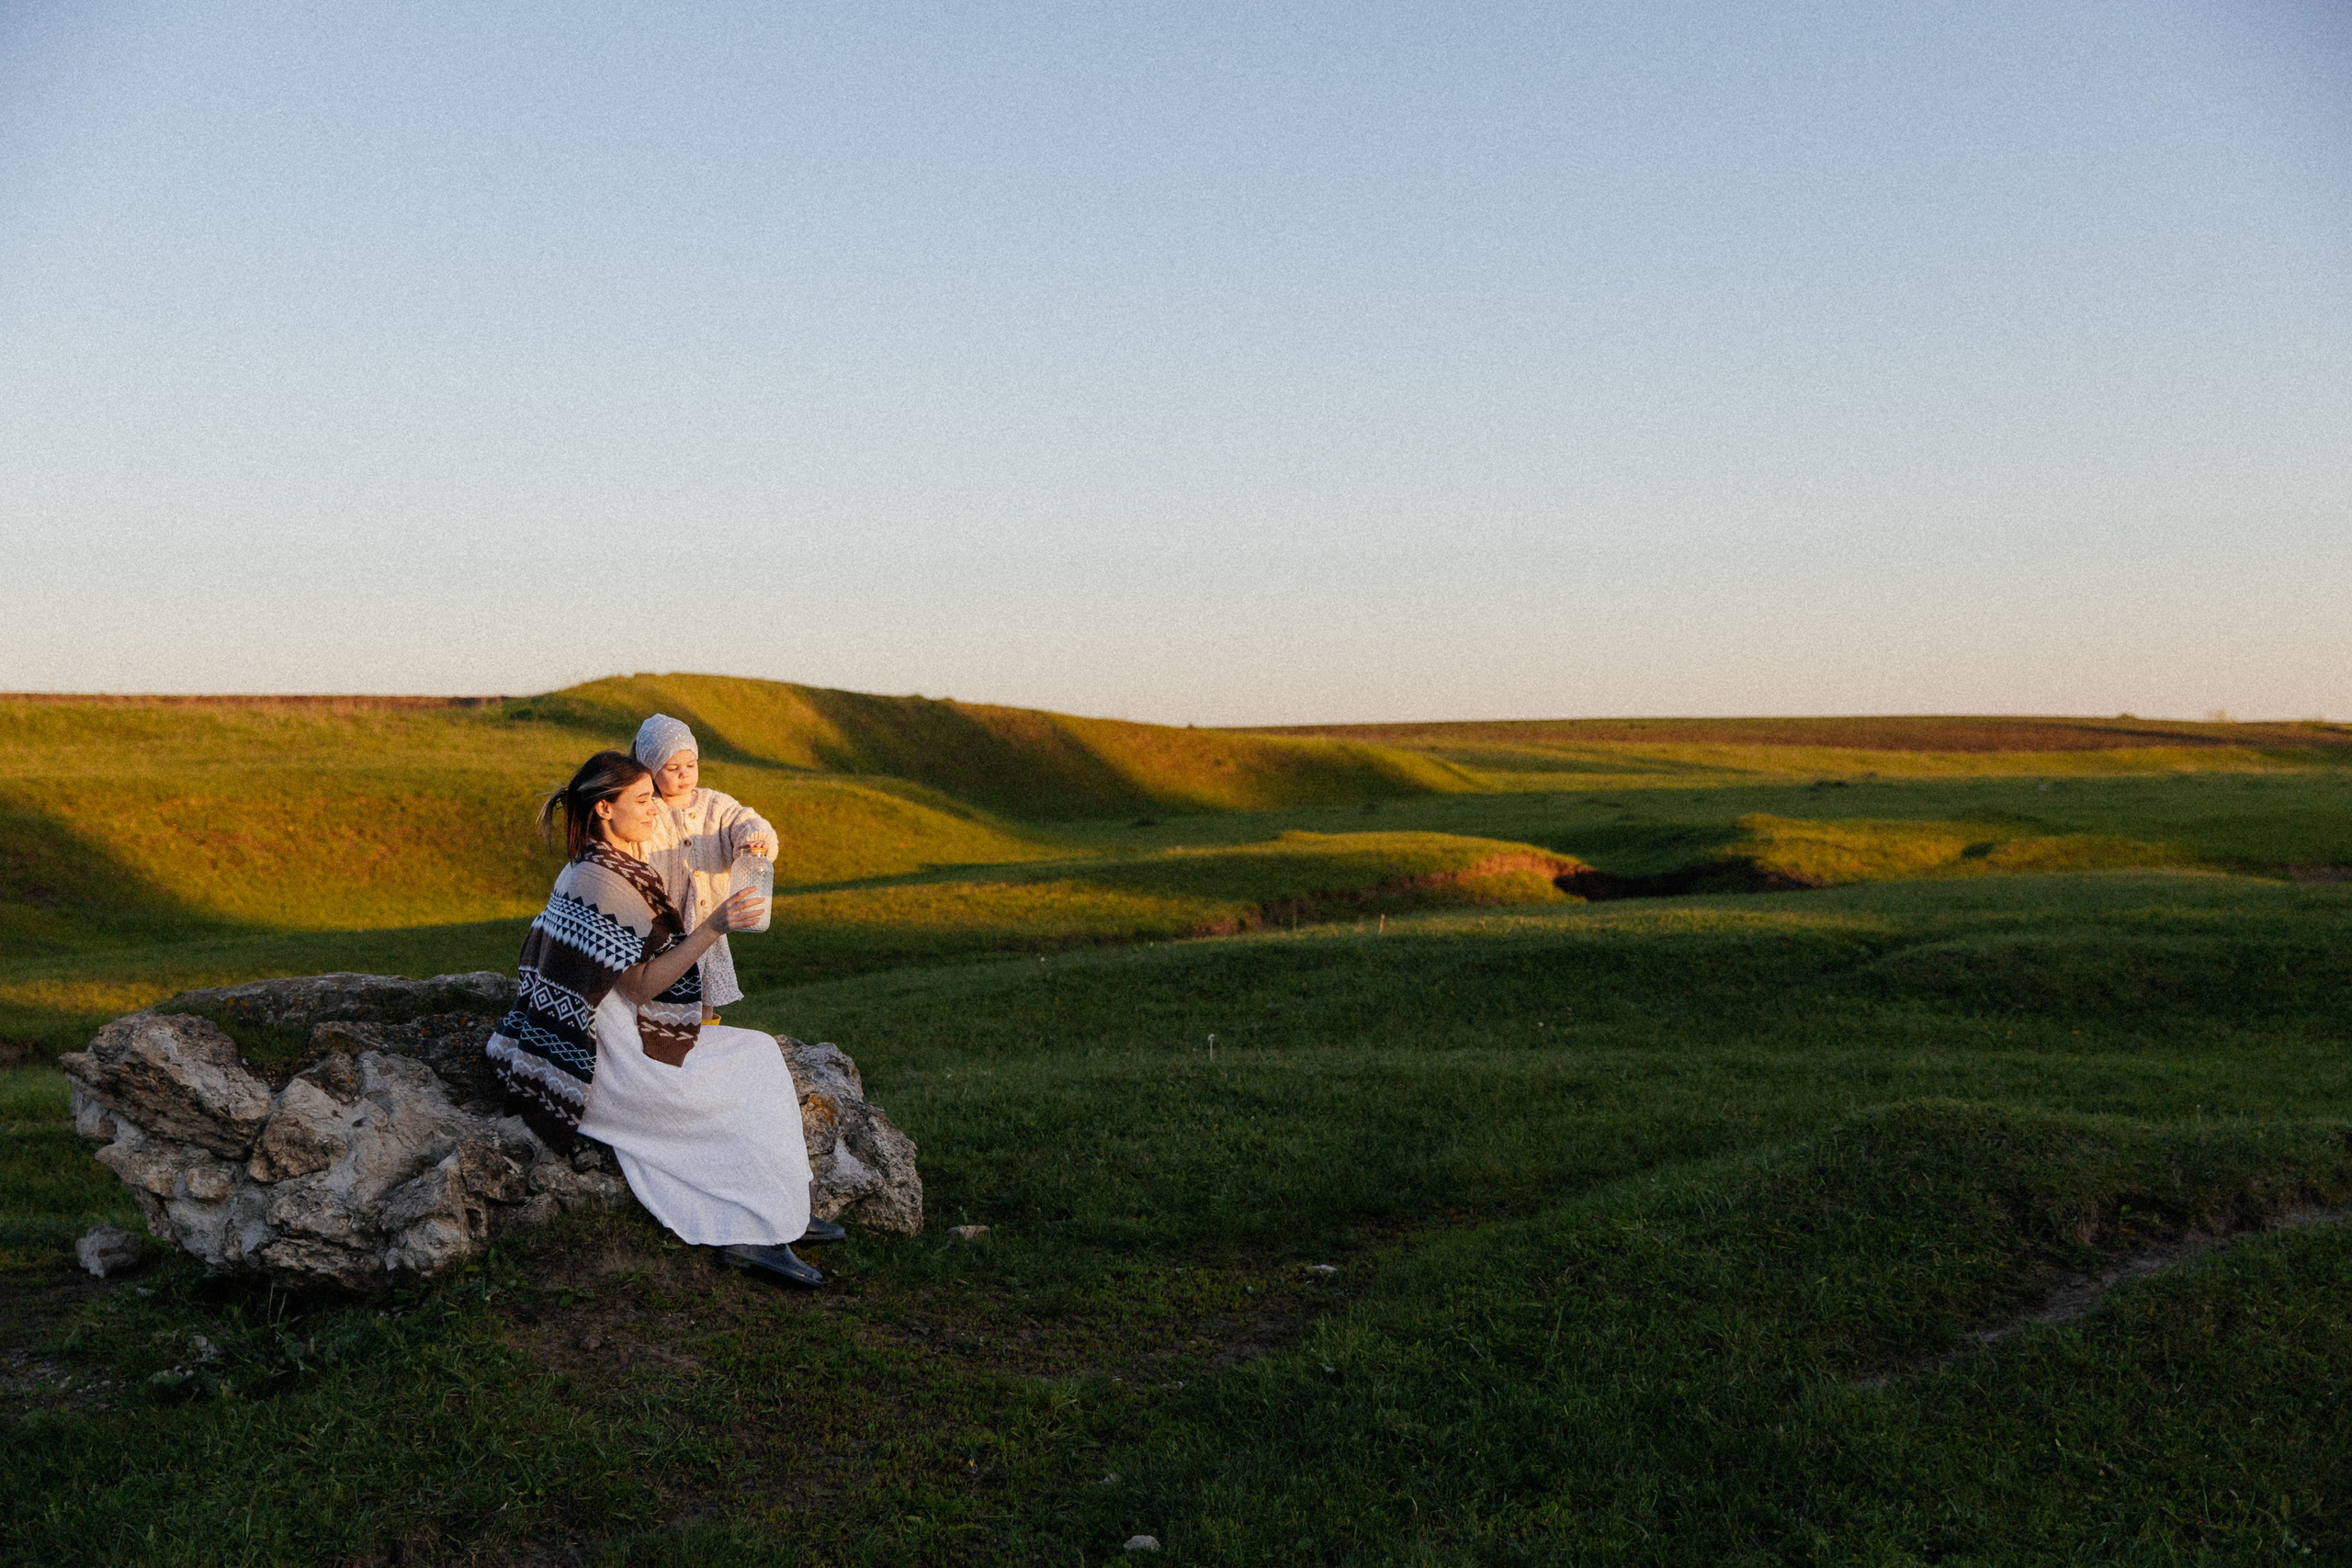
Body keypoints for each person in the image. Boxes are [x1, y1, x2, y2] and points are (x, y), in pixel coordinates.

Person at [486, 749, 840, 1289]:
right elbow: (641, 984)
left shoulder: (600, 866)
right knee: (735, 1082)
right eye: (643, 800)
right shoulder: (601, 881)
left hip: (618, 1035)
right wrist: (714, 925)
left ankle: (780, 1208)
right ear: (606, 808)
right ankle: (750, 1231)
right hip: (606, 1061)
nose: (656, 810)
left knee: (760, 1055)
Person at [630, 714, 776, 1025]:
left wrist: (753, 840)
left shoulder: (715, 805)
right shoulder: (648, 809)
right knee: (663, 989)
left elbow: (744, 820)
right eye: (672, 769)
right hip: (663, 923)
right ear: (651, 771)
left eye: (690, 765)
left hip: (709, 919)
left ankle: (704, 1036)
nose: (684, 775)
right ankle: (663, 1036)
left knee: (704, 992)